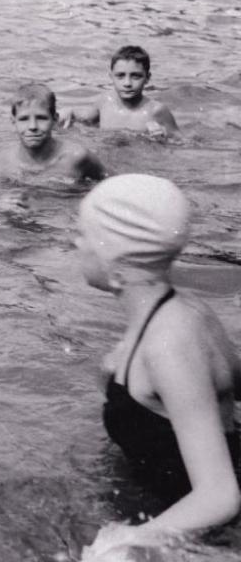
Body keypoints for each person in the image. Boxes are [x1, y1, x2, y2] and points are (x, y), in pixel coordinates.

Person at [75, 175, 240, 559]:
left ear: (116, 259)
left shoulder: (169, 344)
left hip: (214, 532)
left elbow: (220, 496)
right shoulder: (184, 312)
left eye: (83, 233)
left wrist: (119, 545)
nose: (75, 243)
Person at [0, 83, 106, 190]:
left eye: (41, 118)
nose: (32, 126)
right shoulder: (3, 163)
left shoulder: (77, 157)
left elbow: (112, 184)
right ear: (13, 121)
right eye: (24, 119)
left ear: (55, 120)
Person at [60, 45, 179, 137]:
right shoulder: (105, 101)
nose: (127, 83)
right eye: (120, 76)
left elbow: (182, 142)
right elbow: (84, 117)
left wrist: (164, 136)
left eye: (135, 76)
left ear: (147, 78)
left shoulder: (156, 111)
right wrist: (69, 113)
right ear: (111, 76)